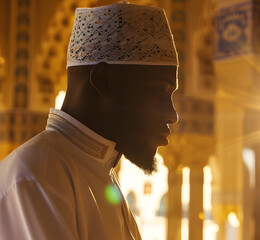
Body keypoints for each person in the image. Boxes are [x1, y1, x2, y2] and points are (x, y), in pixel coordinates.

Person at [0, 2, 178, 239]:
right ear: (104, 81)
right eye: (159, 92)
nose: (172, 114)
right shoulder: (38, 175)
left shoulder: (101, 172)